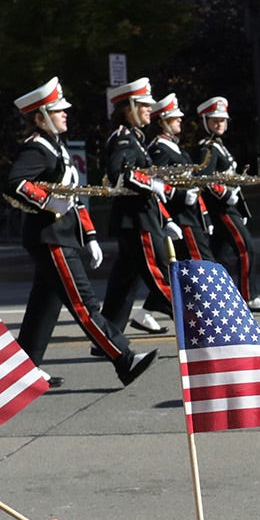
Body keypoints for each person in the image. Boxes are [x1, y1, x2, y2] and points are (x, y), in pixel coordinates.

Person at [5, 77, 157, 391]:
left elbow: (73, 196)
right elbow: (16, 183)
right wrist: (48, 201)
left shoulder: (54, 148)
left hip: (60, 236)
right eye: (58, 111)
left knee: (43, 307)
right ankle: (123, 358)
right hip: (51, 236)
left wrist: (89, 235)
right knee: (84, 304)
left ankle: (22, 373)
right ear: (40, 117)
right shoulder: (37, 148)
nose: (65, 114)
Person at [100, 78, 176, 336]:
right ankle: (196, 325)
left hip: (138, 217)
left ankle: (106, 338)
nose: (148, 110)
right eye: (144, 105)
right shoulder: (124, 139)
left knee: (124, 282)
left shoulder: (135, 138)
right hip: (137, 219)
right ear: (128, 108)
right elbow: (120, 173)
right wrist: (152, 183)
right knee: (160, 272)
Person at [193, 96, 260, 312]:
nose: (219, 124)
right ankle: (248, 296)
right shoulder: (207, 148)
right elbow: (204, 179)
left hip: (230, 205)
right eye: (215, 120)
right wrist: (225, 195)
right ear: (205, 121)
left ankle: (214, 297)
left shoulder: (218, 145)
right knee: (245, 247)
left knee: (217, 256)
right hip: (222, 207)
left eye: (222, 120)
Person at [150, 93, 214, 264]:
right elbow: (157, 185)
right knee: (201, 263)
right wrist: (180, 195)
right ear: (161, 122)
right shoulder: (159, 150)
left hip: (190, 214)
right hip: (179, 215)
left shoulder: (176, 148)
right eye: (174, 117)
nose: (180, 119)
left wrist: (205, 216)